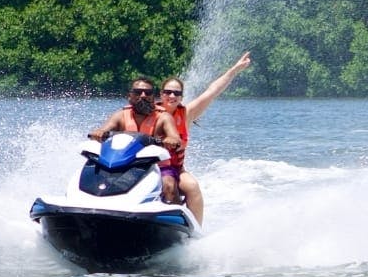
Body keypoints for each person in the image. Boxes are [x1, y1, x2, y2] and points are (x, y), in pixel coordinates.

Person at [158, 51, 252, 224]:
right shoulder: (150, 113)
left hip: (176, 169)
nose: (172, 96)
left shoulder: (186, 114)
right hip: (149, 168)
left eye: (177, 93)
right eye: (168, 92)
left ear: (181, 97)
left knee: (192, 186)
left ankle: (194, 232)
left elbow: (212, 91)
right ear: (161, 94)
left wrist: (235, 70)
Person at [87, 78, 185, 202]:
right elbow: (104, 129)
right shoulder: (120, 116)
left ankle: (174, 215)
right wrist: (98, 133)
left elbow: (175, 137)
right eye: (138, 92)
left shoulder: (164, 117)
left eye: (148, 93)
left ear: (153, 96)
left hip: (157, 166)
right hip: (124, 165)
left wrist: (171, 140)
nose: (143, 96)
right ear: (130, 95)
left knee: (169, 185)